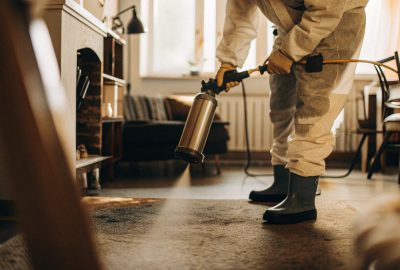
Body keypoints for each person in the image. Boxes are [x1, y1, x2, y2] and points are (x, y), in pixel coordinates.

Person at [216, 0, 368, 224]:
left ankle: (302, 198)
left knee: (314, 113)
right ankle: (282, 180)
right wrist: (228, 62)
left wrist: (288, 53)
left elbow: (326, 10)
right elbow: (240, 16)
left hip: (334, 30)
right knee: (281, 106)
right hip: (291, 30)